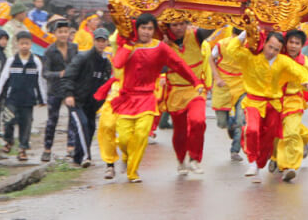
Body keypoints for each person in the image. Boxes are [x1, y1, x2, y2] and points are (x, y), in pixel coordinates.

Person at [110, 14, 203, 183]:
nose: (146, 32)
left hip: (147, 98)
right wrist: (128, 45)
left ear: (154, 31)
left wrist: (195, 82)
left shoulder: (160, 47)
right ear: (137, 29)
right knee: (123, 138)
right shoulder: (129, 45)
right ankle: (125, 156)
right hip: (127, 98)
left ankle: (133, 172)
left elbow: (179, 64)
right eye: (143, 28)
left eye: (150, 29)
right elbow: (117, 63)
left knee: (141, 134)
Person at [225, 29, 308, 183]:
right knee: (252, 129)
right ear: (264, 44)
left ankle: (259, 166)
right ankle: (252, 161)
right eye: (270, 47)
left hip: (274, 105)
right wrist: (245, 34)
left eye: (276, 49)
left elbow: (299, 71)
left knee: (269, 138)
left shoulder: (282, 61)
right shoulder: (250, 57)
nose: (272, 52)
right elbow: (231, 50)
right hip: (253, 102)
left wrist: (307, 81)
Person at [272, 29, 308, 182]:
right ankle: (276, 156)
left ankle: (289, 167)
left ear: (301, 46)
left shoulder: (305, 63)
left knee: (291, 133)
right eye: (291, 42)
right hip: (274, 101)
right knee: (274, 134)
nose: (293, 46)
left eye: (297, 43)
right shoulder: (276, 56)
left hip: (293, 101)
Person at [160, 21, 213, 175]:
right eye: (174, 24)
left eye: (182, 23)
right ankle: (181, 159)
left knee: (198, 120)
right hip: (175, 91)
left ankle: (194, 158)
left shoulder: (196, 35)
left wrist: (223, 12)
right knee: (180, 132)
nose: (179, 28)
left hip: (195, 90)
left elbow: (211, 26)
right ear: (168, 26)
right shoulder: (162, 40)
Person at [62, 27, 113, 167]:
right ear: (94, 41)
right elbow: (68, 76)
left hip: (92, 103)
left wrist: (100, 101)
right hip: (76, 100)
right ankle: (86, 157)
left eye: (103, 41)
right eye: (98, 40)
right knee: (82, 124)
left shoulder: (106, 63)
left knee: (90, 127)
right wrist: (69, 94)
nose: (101, 43)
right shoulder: (82, 57)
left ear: (107, 42)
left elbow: (105, 84)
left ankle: (78, 157)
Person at [0, 32, 46, 161]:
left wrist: (42, 99)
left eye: (27, 43)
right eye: (21, 43)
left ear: (31, 44)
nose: (24, 46)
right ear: (17, 44)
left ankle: (22, 149)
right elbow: (3, 78)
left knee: (26, 124)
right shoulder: (11, 61)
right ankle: (8, 141)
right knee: (8, 120)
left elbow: (40, 80)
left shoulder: (35, 61)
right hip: (12, 98)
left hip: (28, 99)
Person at [41, 19, 79, 162]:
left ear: (69, 33)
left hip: (70, 88)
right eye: (60, 32)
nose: (63, 34)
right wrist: (60, 74)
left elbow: (78, 66)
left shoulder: (74, 48)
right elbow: (45, 73)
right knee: (52, 120)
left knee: (73, 117)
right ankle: (47, 149)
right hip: (55, 89)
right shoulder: (49, 51)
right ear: (55, 33)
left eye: (65, 32)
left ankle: (71, 147)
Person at [208, 29, 246, 162]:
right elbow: (211, 58)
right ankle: (231, 125)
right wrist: (217, 77)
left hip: (241, 85)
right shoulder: (222, 44)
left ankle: (235, 150)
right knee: (222, 122)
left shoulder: (249, 45)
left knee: (241, 121)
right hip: (223, 84)